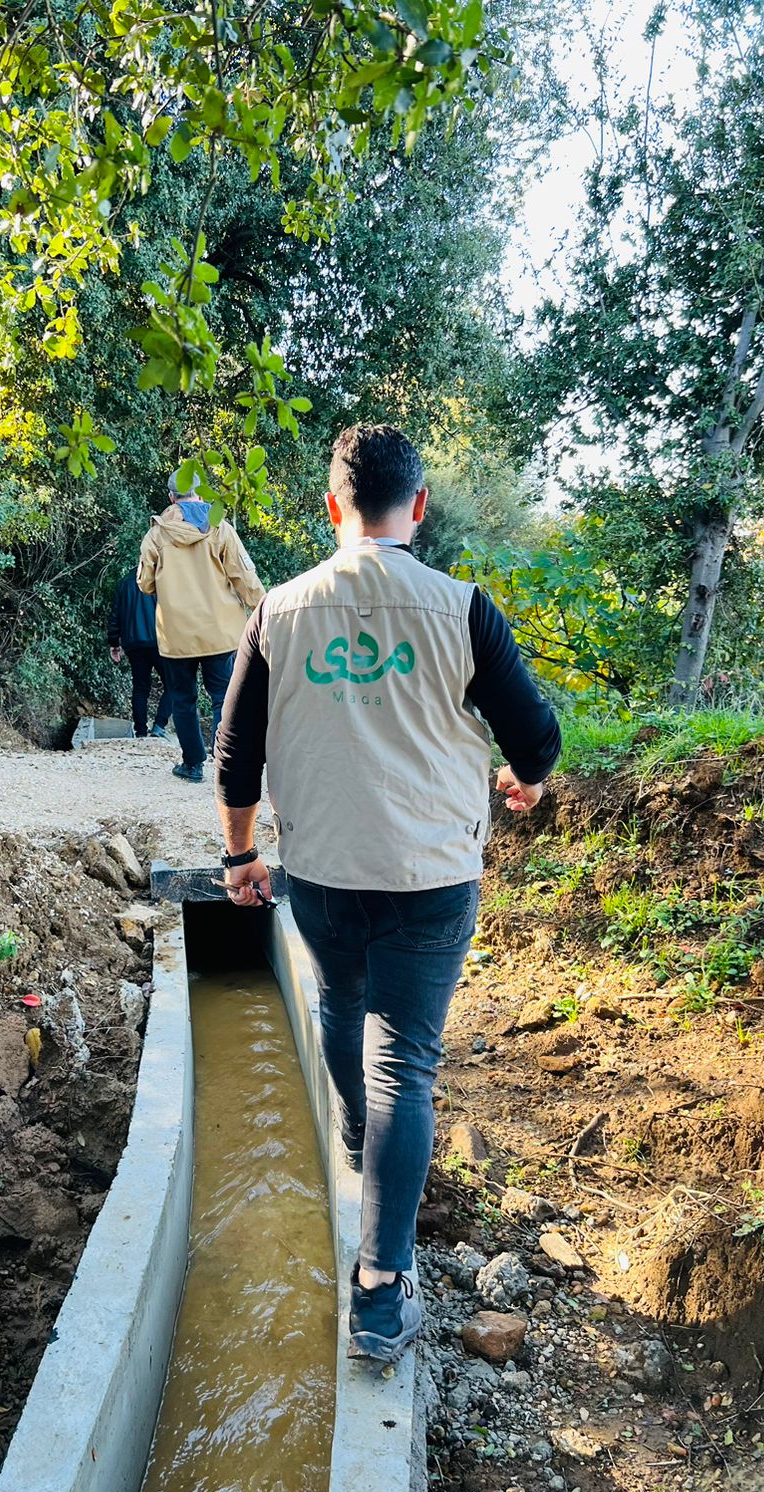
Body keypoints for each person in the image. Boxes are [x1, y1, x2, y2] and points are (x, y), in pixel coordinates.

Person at [213, 423, 561, 1363]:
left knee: (340, 1002)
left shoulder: (278, 611)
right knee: (404, 1058)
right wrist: (525, 781)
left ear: (332, 508)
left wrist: (243, 858)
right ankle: (378, 1289)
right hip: (430, 876)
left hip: (322, 871)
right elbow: (537, 736)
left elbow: (236, 755)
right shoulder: (462, 607)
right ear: (418, 509)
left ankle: (364, 1146)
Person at [137, 470, 266, 783]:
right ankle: (227, 762)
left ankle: (192, 764)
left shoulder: (157, 534)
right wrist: (264, 607)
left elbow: (144, 583)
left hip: (176, 634)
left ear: (171, 497)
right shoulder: (220, 527)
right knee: (224, 695)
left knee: (182, 699)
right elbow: (244, 576)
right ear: (201, 493)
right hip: (221, 632)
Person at [107, 568, 172, 739]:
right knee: (173, 684)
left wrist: (114, 643)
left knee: (140, 688)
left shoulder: (124, 583)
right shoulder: (161, 579)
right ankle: (159, 726)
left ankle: (141, 731)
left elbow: (115, 616)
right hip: (159, 642)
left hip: (133, 644)